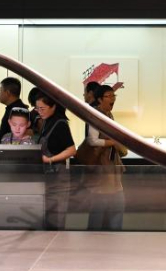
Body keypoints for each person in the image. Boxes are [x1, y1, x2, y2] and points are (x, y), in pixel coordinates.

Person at [84, 85, 127, 230]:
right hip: (101, 169)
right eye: (109, 96)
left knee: (116, 209)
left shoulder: (109, 115)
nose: (113, 98)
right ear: (100, 99)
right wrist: (112, 142)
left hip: (112, 168)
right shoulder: (96, 115)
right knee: (98, 214)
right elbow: (92, 140)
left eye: (113, 95)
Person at [36, 93, 76, 229]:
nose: (40, 112)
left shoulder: (60, 123)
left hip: (58, 177)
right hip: (48, 177)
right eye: (38, 109)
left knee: (57, 216)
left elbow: (71, 150)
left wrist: (50, 159)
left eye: (43, 108)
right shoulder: (47, 121)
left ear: (53, 107)